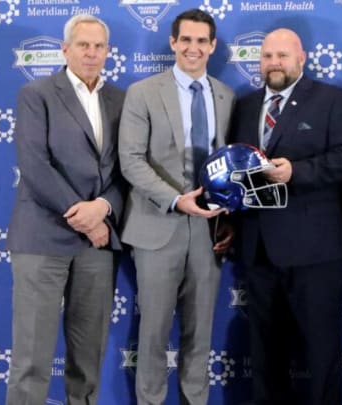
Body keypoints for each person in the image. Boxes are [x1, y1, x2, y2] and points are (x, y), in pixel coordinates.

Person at [228, 28, 342, 405]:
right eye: (268, 56)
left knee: (321, 351)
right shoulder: (246, 105)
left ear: (301, 58)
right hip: (258, 250)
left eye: (283, 56)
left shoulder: (332, 99)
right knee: (265, 354)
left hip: (316, 252)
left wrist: (296, 173)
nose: (274, 63)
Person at [5, 14, 126, 405]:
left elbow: (129, 169)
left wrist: (105, 207)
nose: (91, 54)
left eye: (98, 47)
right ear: (65, 49)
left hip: (99, 245)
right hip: (43, 238)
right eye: (83, 46)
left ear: (108, 52)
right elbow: (35, 164)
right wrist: (87, 218)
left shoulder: (120, 99)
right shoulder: (36, 93)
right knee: (31, 360)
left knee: (88, 357)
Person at [118, 8, 235, 405]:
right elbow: (131, 160)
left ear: (213, 46)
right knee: (152, 334)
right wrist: (174, 199)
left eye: (202, 41)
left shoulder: (226, 95)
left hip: (209, 231)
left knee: (200, 333)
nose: (193, 48)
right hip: (157, 227)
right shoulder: (143, 92)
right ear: (172, 42)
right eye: (186, 39)